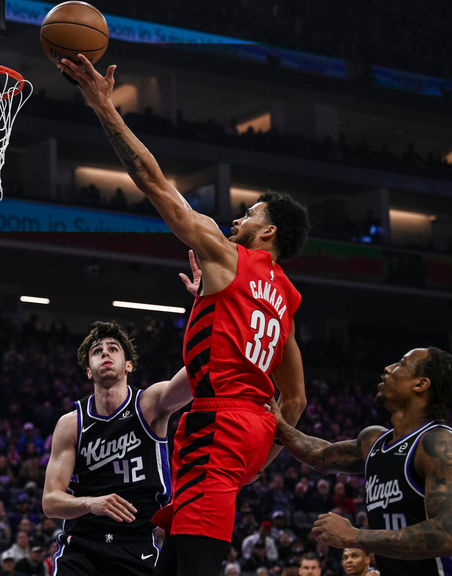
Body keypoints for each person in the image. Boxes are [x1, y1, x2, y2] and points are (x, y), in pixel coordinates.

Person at [60, 55, 310, 576]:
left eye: (252, 214)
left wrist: (104, 105)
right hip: (249, 429)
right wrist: (259, 461)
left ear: (269, 234)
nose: (239, 217)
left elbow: (153, 183)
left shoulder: (227, 254)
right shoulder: (285, 295)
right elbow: (297, 396)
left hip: (217, 424)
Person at [269, 347, 452, 576]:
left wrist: (355, 536)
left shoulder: (440, 443)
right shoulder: (374, 441)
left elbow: (447, 536)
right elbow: (323, 456)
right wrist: (280, 426)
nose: (388, 368)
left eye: (401, 363)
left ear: (420, 384)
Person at [42, 321, 192, 576]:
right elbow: (50, 502)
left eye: (113, 349)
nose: (105, 353)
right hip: (82, 547)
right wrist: (90, 503)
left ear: (128, 365)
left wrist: (212, 303)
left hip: (136, 545)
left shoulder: (150, 404)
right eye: (97, 351)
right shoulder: (71, 424)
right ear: (89, 371)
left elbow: (198, 372)